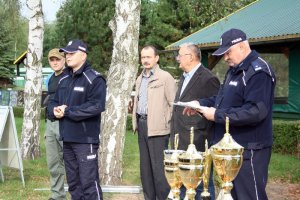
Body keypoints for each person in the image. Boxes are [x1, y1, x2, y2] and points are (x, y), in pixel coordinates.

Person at [184, 28, 276, 200]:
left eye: (228, 52)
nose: (225, 58)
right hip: (230, 150)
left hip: (250, 149)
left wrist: (217, 115)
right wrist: (200, 104)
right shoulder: (233, 71)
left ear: (241, 46)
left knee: (249, 196)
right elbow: (222, 100)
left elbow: (256, 111)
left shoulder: (259, 71)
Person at [48, 39, 107, 200]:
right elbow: (52, 102)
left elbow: (96, 106)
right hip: (67, 139)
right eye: (66, 53)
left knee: (89, 183)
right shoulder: (64, 79)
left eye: (72, 53)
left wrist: (68, 111)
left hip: (85, 141)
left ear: (83, 55)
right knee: (73, 184)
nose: (67, 56)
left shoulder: (94, 79)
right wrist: (53, 110)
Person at [171, 43, 220, 199]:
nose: (177, 58)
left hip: (198, 143)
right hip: (180, 141)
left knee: (202, 187)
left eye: (180, 55)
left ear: (190, 57)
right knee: (184, 185)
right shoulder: (184, 76)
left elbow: (214, 109)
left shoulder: (208, 78)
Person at [132, 45, 177, 200]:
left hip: (158, 130)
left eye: (148, 57)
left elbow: (174, 104)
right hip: (142, 125)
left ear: (156, 58)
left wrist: (165, 121)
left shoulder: (165, 77)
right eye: (143, 57)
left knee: (159, 170)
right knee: (145, 169)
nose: (145, 60)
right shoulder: (139, 78)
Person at [45, 48, 66, 200]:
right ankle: (57, 195)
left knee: (71, 163)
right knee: (53, 163)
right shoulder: (50, 78)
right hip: (50, 124)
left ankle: (78, 194)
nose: (55, 62)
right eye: (52, 60)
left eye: (58, 59)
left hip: (66, 124)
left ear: (64, 60)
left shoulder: (70, 77)